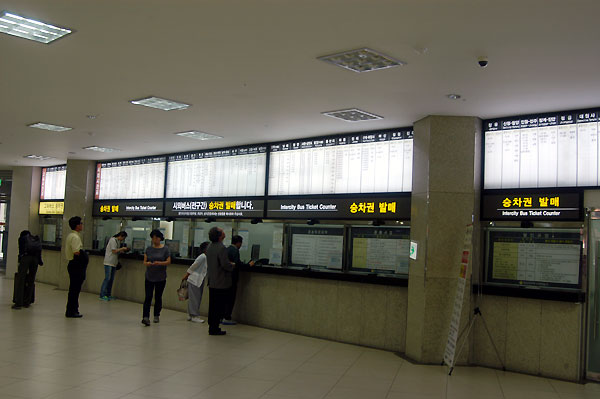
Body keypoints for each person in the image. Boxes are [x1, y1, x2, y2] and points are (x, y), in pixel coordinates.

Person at [205, 227, 235, 335]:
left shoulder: (209, 246)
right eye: (222, 231)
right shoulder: (221, 248)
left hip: (212, 280)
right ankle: (215, 327)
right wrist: (232, 266)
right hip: (221, 282)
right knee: (219, 306)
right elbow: (225, 264)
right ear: (219, 235)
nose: (224, 232)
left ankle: (212, 326)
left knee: (212, 305)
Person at [223, 235, 254, 325]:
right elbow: (237, 265)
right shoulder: (235, 250)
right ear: (239, 243)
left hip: (226, 278)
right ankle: (227, 317)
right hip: (232, 278)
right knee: (231, 298)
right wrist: (248, 265)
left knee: (225, 298)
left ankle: (222, 316)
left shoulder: (227, 249)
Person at [142, 229, 171, 326]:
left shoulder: (165, 249)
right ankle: (145, 316)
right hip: (149, 276)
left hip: (160, 277)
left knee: (158, 297)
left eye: (156, 238)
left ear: (159, 238)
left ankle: (156, 314)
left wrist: (160, 263)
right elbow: (144, 262)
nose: (154, 240)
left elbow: (168, 261)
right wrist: (148, 263)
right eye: (153, 238)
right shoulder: (148, 249)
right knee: (148, 296)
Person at [12, 230, 43, 309]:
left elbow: (21, 251)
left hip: (26, 258)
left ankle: (19, 303)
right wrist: (40, 261)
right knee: (31, 280)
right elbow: (39, 251)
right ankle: (27, 302)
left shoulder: (22, 239)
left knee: (21, 280)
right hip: (35, 260)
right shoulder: (35, 239)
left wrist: (20, 260)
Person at [65, 216, 88, 318]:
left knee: (73, 289)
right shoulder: (75, 237)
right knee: (75, 289)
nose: (82, 225)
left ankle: (73, 309)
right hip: (76, 265)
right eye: (81, 223)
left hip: (72, 264)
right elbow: (76, 252)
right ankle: (72, 310)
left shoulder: (71, 235)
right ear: (77, 225)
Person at [182, 241, 209, 323]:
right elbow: (193, 266)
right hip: (195, 280)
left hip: (198, 280)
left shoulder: (206, 257)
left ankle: (191, 314)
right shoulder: (203, 257)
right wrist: (186, 275)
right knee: (195, 298)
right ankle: (194, 315)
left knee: (194, 298)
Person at [99, 231, 129, 301]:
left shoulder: (117, 241)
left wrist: (122, 250)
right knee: (107, 278)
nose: (123, 240)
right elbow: (114, 251)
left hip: (114, 262)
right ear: (121, 236)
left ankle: (108, 294)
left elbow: (116, 251)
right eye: (123, 238)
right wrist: (122, 248)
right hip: (108, 262)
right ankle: (102, 294)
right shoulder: (112, 240)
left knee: (111, 279)